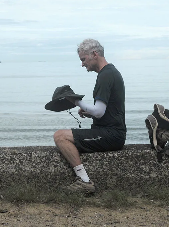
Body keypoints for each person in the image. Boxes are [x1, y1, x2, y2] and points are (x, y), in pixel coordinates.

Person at [53, 39, 126, 193]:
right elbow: (104, 111)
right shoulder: (110, 73)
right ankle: (83, 180)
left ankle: (84, 181)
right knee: (62, 135)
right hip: (112, 132)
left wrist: (76, 101)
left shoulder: (105, 76)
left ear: (94, 54)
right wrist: (89, 112)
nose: (82, 64)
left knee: (60, 136)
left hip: (111, 135)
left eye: (83, 59)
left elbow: (99, 111)